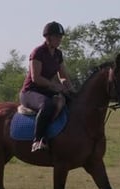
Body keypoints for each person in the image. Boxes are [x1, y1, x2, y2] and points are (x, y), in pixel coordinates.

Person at [19, 21, 75, 152]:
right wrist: (55, 86)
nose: (60, 40)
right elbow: (36, 78)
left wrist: (71, 90)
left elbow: (63, 76)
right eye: (57, 37)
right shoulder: (37, 52)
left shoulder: (58, 54)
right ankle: (37, 140)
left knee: (70, 101)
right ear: (48, 37)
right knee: (47, 105)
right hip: (30, 92)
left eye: (61, 37)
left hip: (45, 91)